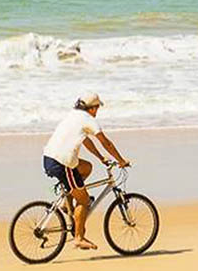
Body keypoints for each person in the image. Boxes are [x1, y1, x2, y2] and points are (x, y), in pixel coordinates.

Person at [42, 92, 131, 250]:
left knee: (86, 167)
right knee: (83, 200)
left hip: (49, 157)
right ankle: (79, 238)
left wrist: (101, 158)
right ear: (92, 108)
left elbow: (86, 141)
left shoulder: (73, 115)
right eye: (97, 108)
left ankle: (66, 203)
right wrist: (121, 160)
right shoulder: (89, 121)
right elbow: (106, 142)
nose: (97, 112)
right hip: (63, 163)